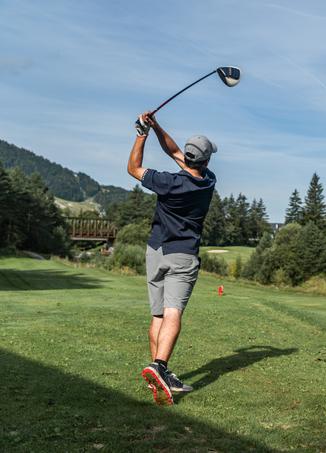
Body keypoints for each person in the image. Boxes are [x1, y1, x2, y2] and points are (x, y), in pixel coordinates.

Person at [127, 112, 217, 405]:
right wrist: (155, 127)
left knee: (157, 315)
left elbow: (134, 168)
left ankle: (159, 375)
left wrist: (143, 132)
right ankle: (159, 367)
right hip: (182, 254)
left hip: (155, 251)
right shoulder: (207, 181)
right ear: (205, 161)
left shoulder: (167, 182)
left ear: (188, 158)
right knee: (173, 312)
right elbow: (175, 150)